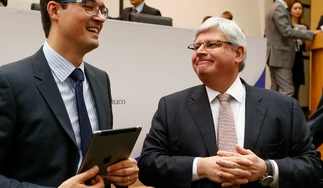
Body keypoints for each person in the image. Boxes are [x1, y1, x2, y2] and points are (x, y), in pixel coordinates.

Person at [0, 0, 139, 188]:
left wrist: (119, 172)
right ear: (54, 10)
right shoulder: (7, 83)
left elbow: (95, 162)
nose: (100, 18)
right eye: (89, 6)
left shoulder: (100, 80)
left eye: (102, 10)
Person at [137, 17, 322, 188]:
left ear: (238, 53)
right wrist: (200, 167)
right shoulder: (171, 107)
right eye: (196, 47)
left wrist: (267, 168)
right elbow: (147, 165)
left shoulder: (283, 107)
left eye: (211, 44)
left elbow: (312, 167)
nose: (200, 51)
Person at [265, 0, 321, 97]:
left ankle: (273, 112)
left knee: (275, 90)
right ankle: (281, 112)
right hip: (281, 56)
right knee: (288, 90)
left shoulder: (273, 7)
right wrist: (310, 33)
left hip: (274, 55)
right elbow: (286, 31)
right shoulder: (279, 8)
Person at [289, 0, 308, 101]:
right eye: (295, 8)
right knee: (287, 86)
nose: (298, 10)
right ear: (290, 10)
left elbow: (306, 48)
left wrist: (305, 41)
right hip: (288, 57)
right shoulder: (286, 25)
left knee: (297, 88)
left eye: (300, 8)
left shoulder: (304, 27)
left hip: (298, 58)